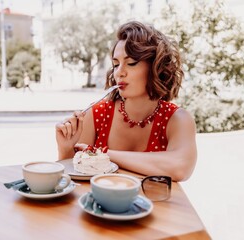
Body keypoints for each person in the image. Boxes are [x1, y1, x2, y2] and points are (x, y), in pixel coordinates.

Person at [55, 21, 197, 182]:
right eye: (116, 65)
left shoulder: (177, 120)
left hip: (155, 206)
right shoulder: (96, 115)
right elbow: (71, 179)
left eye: (131, 63)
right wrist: (65, 148)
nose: (119, 73)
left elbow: (180, 168)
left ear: (155, 67)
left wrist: (102, 153)